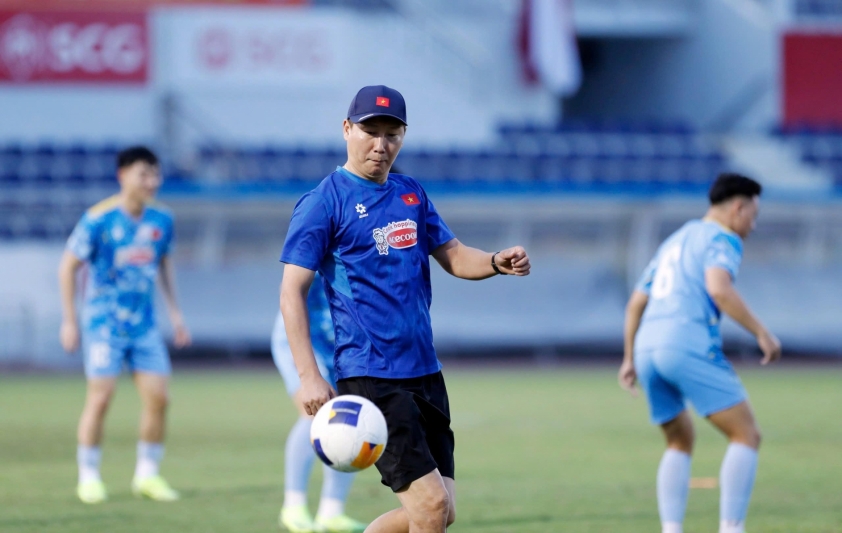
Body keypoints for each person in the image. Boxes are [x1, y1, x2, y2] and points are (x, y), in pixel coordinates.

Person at [279, 85, 531, 533]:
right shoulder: (323, 202)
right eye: (370, 131)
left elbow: (455, 256)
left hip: (425, 373)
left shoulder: (410, 192)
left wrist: (495, 262)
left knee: (441, 512)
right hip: (373, 375)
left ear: (404, 135)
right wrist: (308, 376)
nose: (381, 144)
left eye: (391, 134)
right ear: (346, 129)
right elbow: (291, 292)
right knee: (430, 507)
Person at [618, 173, 782, 533]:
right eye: (753, 216)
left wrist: (629, 357)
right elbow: (719, 289)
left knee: (679, 440)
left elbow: (635, 303)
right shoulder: (722, 238)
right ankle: (732, 529)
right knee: (746, 435)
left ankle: (671, 529)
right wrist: (762, 332)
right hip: (685, 341)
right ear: (737, 207)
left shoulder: (675, 239)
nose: (752, 226)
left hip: (647, 347)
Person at [59, 146, 191, 504]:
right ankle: (88, 476)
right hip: (103, 325)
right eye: (143, 174)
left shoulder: (162, 220)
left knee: (159, 398)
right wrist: (70, 320)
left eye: (155, 174)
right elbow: (67, 267)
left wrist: (175, 313)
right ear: (123, 176)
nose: (152, 181)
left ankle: (147, 475)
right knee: (100, 398)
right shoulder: (97, 219)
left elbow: (164, 264)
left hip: (144, 326)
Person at [272, 272, 366, 533]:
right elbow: (290, 289)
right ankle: (293, 507)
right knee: (315, 414)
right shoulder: (319, 244)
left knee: (348, 419)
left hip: (339, 341)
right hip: (301, 339)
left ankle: (332, 511)